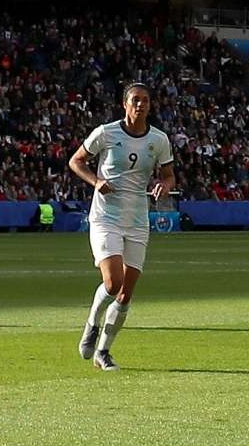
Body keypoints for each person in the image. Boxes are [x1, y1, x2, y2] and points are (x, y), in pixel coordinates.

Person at [68, 81, 176, 371]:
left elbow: (169, 176)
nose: (140, 105)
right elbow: (76, 161)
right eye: (135, 100)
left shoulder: (159, 140)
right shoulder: (106, 132)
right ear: (125, 104)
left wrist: (163, 187)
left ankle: (103, 352)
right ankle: (92, 321)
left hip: (138, 220)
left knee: (126, 293)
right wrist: (96, 181)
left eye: (145, 101)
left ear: (150, 106)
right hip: (106, 217)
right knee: (113, 283)